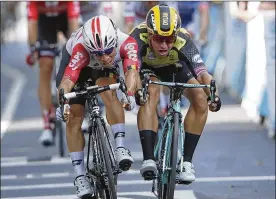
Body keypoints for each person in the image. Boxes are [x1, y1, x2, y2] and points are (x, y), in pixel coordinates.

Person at [130, 4, 222, 184]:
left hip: (175, 68)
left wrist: (214, 95)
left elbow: (203, 74)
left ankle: (187, 162)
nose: (164, 45)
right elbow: (132, 72)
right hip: (148, 70)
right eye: (158, 39)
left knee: (201, 98)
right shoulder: (136, 37)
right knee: (151, 92)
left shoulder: (183, 39)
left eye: (169, 39)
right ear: (149, 34)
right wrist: (136, 90)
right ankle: (149, 158)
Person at [56, 15, 140, 198]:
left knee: (109, 92)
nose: (104, 57)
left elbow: (132, 72)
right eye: (99, 54)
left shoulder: (127, 42)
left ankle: (120, 147)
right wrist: (63, 101)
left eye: (109, 51)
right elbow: (68, 80)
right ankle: (80, 177)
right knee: (74, 117)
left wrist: (131, 94)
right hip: (77, 65)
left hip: (100, 73)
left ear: (115, 42)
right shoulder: (81, 49)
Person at [26, 1, 80, 146]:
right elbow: (32, 24)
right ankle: (46, 123)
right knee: (45, 64)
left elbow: (73, 22)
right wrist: (33, 49)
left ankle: (81, 109)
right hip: (44, 23)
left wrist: (75, 46)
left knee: (77, 59)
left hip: (65, 19)